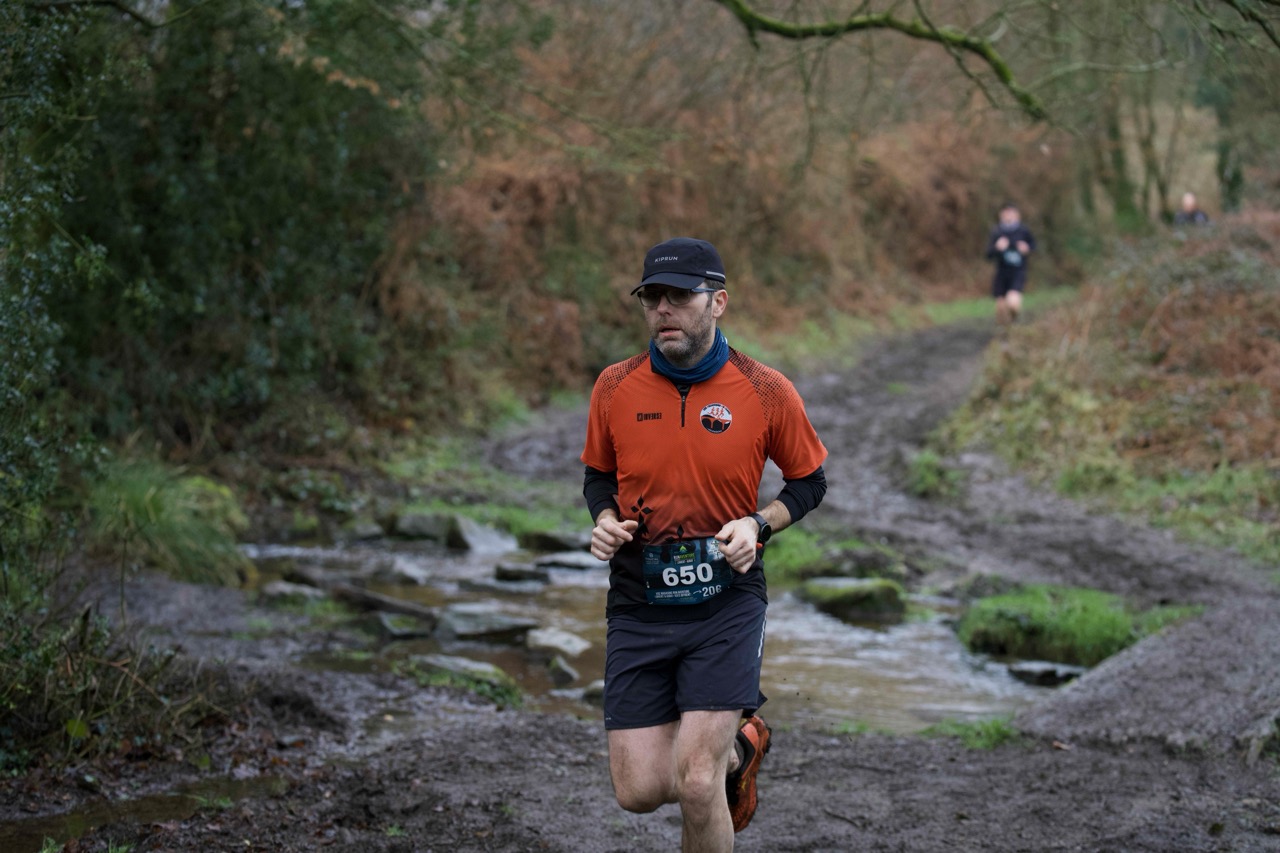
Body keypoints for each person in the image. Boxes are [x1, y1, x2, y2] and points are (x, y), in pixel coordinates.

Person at [581, 236, 828, 850]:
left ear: (717, 302)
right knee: (639, 791)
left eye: (680, 296)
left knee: (696, 782)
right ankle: (742, 749)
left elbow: (809, 481)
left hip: (727, 601)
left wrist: (758, 524)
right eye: (652, 297)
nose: (663, 308)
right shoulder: (614, 387)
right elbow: (598, 476)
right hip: (639, 600)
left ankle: (717, 763)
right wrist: (605, 517)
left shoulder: (765, 389)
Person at [984, 203, 1036, 325]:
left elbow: (1033, 246)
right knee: (1001, 309)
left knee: (1013, 304)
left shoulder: (1023, 231)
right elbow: (988, 255)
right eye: (1006, 213)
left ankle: (1013, 322)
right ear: (1001, 215)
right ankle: (1005, 329)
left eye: (1011, 212)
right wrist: (997, 248)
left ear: (1017, 215)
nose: (1008, 215)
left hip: (1018, 272)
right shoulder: (997, 231)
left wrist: (1026, 248)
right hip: (1001, 273)